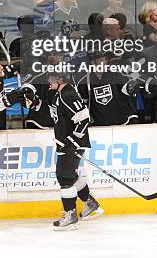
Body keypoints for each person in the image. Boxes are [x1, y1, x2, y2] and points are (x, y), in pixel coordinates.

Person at [47, 72, 103, 230]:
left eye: (51, 79)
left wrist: (72, 141)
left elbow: (84, 118)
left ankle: (70, 215)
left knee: (64, 177)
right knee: (70, 176)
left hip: (73, 144)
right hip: (67, 143)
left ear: (61, 80)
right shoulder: (60, 94)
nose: (48, 82)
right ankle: (90, 203)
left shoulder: (69, 94)